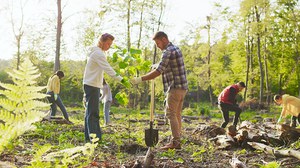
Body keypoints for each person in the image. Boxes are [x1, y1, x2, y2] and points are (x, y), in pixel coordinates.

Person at [130, 31, 188, 150]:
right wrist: (156, 64)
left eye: (158, 43)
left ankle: (175, 142)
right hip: (182, 88)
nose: (157, 46)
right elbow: (169, 64)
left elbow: (158, 72)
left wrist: (140, 79)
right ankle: (177, 139)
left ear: (164, 39)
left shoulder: (167, 52)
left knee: (171, 114)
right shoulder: (176, 49)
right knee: (177, 114)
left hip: (174, 88)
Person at [83, 33, 129, 142]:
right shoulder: (98, 53)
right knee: (93, 113)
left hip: (91, 83)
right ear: (102, 42)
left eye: (110, 44)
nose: (109, 46)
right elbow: (108, 69)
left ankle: (88, 139)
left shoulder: (95, 52)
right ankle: (95, 140)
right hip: (92, 84)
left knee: (89, 112)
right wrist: (121, 80)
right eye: (108, 43)